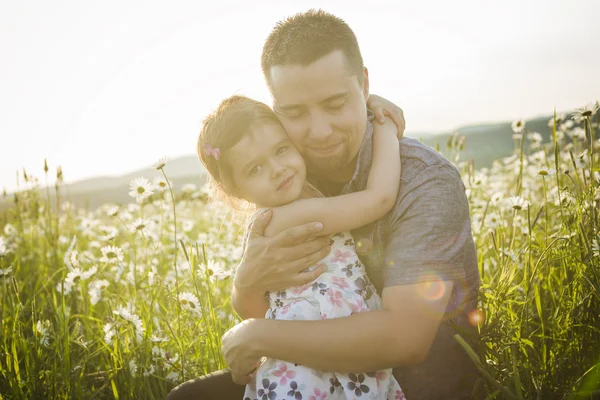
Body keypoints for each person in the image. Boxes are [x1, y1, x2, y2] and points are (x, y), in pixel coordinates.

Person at [168, 9, 481, 400]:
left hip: (413, 381)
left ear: (364, 85)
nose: (318, 131)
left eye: (335, 103)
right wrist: (246, 283)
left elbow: (407, 341)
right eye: (295, 112)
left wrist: (258, 335)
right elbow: (263, 306)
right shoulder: (289, 174)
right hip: (320, 372)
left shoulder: (426, 181)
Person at [197, 94, 406, 399]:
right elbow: (380, 199)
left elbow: (255, 310)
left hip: (309, 360)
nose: (278, 168)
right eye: (255, 169)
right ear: (232, 188)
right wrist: (386, 127)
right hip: (309, 373)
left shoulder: (283, 212)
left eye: (281, 149)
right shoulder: (287, 217)